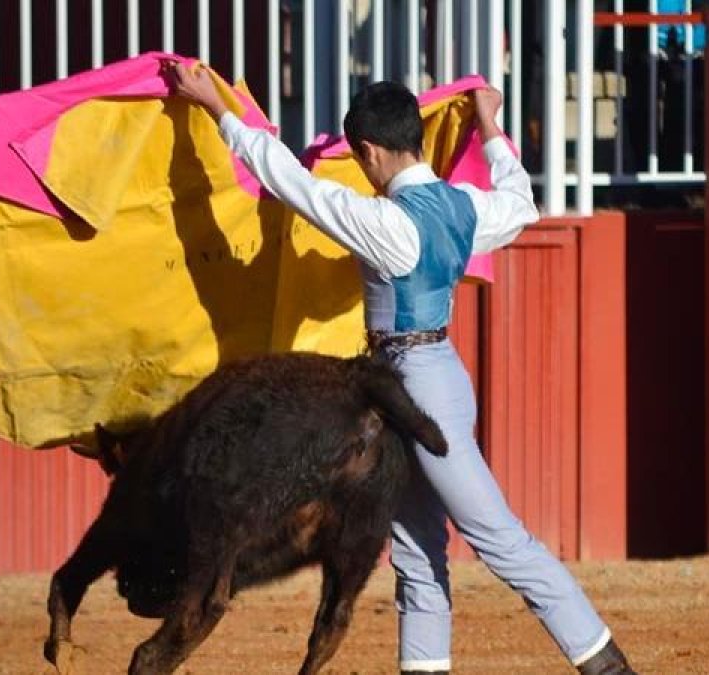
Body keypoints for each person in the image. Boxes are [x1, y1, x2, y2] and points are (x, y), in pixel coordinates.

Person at [167, 61, 635, 675]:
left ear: (368, 150)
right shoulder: (465, 207)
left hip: (415, 387)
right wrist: (490, 125)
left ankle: (610, 669)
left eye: (360, 160)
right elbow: (519, 203)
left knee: (499, 540)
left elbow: (287, 180)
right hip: (425, 382)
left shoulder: (387, 223)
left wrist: (217, 109)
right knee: (416, 552)